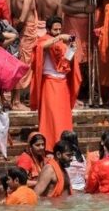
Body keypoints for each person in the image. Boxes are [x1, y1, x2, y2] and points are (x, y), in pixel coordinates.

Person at [31, 16, 80, 149]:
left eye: (59, 29)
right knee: (51, 115)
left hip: (62, 83)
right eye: (55, 29)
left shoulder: (61, 43)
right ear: (48, 29)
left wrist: (71, 49)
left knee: (63, 116)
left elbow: (66, 62)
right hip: (50, 83)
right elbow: (40, 47)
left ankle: (66, 144)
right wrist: (59, 38)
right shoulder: (46, 39)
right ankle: (50, 144)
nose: (58, 32)